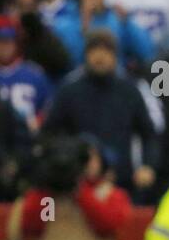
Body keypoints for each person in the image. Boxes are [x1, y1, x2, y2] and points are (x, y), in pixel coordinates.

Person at [41, 29, 159, 199]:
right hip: (78, 184)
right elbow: (48, 134)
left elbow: (149, 135)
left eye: (106, 51)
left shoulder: (129, 91)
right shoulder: (69, 91)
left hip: (121, 182)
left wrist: (148, 166)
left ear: (115, 56)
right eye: (94, 50)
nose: (100, 56)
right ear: (86, 55)